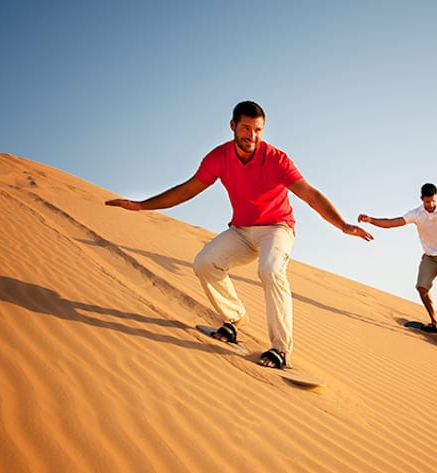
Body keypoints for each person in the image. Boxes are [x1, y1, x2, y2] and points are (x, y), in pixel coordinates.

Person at [106, 100, 373, 368]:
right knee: (205, 263)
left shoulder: (277, 159)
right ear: (233, 126)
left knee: (270, 269)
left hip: (277, 228)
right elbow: (187, 190)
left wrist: (342, 225)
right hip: (242, 230)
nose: (252, 136)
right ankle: (233, 320)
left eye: (258, 130)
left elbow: (309, 194)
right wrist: (142, 205)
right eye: (246, 128)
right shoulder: (218, 158)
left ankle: (281, 350)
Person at [358, 183, 437, 341]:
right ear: (421, 199)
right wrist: (370, 220)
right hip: (430, 256)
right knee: (421, 288)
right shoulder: (416, 214)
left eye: (432, 201)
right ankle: (434, 322)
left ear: (436, 198)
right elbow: (390, 223)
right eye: (426, 202)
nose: (430, 205)